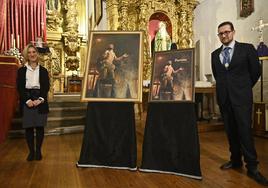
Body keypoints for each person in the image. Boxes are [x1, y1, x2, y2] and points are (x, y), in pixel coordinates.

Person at [211, 21, 268, 186]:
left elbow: (256, 72)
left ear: (233, 32)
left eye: (227, 32)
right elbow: (218, 75)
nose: (224, 35)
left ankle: (252, 167)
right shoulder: (215, 55)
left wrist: (243, 88)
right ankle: (235, 160)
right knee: (230, 132)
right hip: (224, 99)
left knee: (244, 132)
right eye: (221, 33)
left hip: (242, 99)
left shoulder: (247, 49)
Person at [17, 44, 50, 161]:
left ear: (37, 54)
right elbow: (20, 87)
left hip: (40, 99)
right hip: (27, 99)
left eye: (34, 52)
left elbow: (46, 87)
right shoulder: (21, 70)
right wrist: (27, 100)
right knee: (29, 128)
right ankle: (31, 152)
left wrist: (40, 99)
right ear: (27, 55)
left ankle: (38, 151)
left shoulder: (44, 70)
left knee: (40, 127)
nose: (32, 54)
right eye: (29, 52)